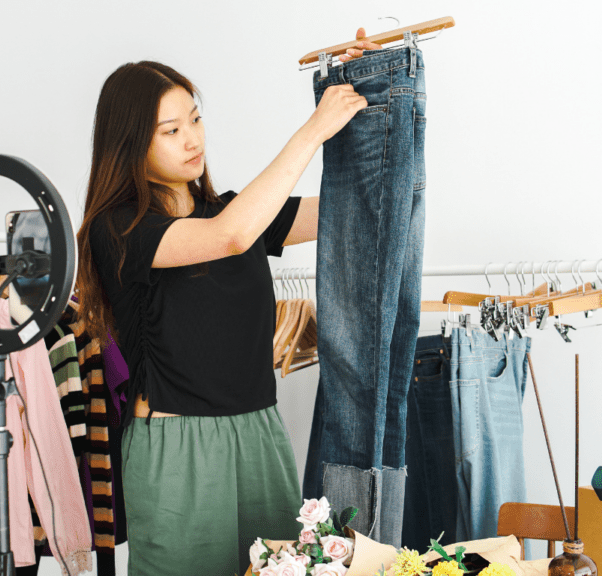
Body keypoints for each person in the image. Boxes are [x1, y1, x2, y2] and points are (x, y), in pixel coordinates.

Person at [75, 30, 381, 575]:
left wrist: (371, 87)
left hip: (260, 433)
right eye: (171, 130)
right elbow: (230, 237)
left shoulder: (235, 209)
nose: (192, 138)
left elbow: (362, 206)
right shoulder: (118, 228)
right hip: (176, 446)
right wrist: (312, 131)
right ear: (130, 145)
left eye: (194, 119)